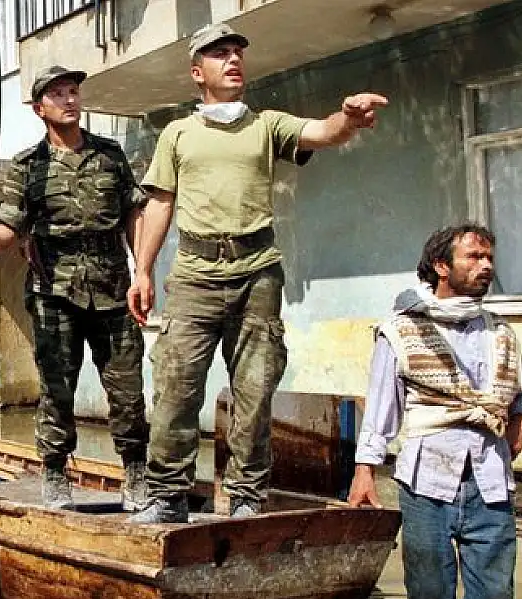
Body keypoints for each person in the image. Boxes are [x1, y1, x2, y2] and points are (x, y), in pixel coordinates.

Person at [127, 23, 389, 523]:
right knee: (176, 386)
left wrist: (349, 119)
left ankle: (246, 497)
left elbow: (323, 131)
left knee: (254, 389)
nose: (232, 60)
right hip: (195, 274)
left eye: (237, 53)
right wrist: (141, 271)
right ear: (196, 71)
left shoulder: (266, 125)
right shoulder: (178, 134)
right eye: (219, 54)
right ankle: (167, 497)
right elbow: (160, 203)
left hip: (257, 273)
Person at [0, 66, 149, 510]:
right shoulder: (28, 167)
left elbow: (134, 214)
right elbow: (9, 226)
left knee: (127, 390)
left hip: (113, 291)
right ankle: (54, 472)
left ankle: (137, 473)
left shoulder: (110, 154)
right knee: (57, 390)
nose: (69, 99)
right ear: (39, 108)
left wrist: (143, 270)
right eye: (58, 93)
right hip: (54, 295)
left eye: (73, 92)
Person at [348, 224, 522, 599]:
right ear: (441, 267)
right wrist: (365, 472)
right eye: (474, 257)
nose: (486, 266)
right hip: (426, 483)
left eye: (489, 259)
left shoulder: (500, 332)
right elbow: (382, 408)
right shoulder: (402, 330)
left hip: (491, 483)